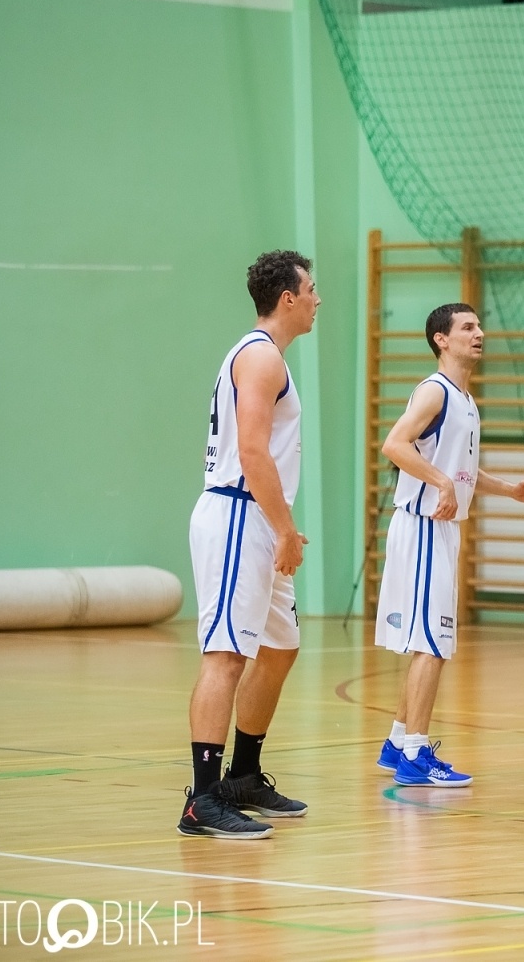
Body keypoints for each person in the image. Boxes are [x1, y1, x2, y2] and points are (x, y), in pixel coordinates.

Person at [373, 304, 524, 786]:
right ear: (441, 339)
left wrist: (511, 490)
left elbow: (463, 473)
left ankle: (397, 742)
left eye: (479, 326)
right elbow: (394, 444)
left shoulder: (465, 399)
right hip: (423, 526)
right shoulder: (435, 391)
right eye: (467, 328)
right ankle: (415, 755)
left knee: (425, 641)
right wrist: (439, 483)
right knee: (432, 643)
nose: (479, 334)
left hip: (438, 528)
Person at [180, 251, 318, 839]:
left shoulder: (263, 356)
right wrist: (285, 527)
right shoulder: (261, 357)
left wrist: (279, 525)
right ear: (287, 298)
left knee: (280, 647)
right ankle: (202, 800)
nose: (316, 298)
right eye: (311, 289)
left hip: (256, 517)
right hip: (241, 515)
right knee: (227, 654)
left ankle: (243, 775)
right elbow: (254, 452)